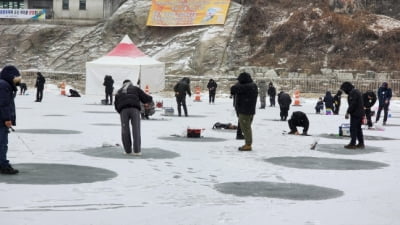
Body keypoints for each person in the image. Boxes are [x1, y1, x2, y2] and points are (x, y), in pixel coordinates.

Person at [114, 80, 153, 155]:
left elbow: (116, 104)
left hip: (123, 111)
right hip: (134, 110)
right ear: (131, 83)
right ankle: (137, 151)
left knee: (125, 130)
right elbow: (145, 98)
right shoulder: (135, 88)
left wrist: (121, 111)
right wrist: (150, 98)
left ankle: (127, 151)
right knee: (136, 129)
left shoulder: (119, 91)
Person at [0, 65, 21, 174]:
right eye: (16, 78)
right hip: (1, 120)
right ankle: (3, 165)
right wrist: (7, 119)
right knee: (2, 143)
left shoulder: (4, 84)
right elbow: (4, 104)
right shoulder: (4, 85)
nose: (17, 81)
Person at [230, 72, 258, 151]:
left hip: (245, 110)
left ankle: (248, 144)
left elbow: (233, 89)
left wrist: (238, 84)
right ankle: (247, 143)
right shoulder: (253, 85)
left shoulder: (247, 86)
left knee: (246, 128)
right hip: (250, 110)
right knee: (246, 127)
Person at [340, 81, 365, 149]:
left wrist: (348, 112)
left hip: (356, 114)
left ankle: (352, 144)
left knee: (353, 129)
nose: (344, 91)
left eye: (344, 89)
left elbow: (353, 104)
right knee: (358, 129)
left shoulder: (353, 93)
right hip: (359, 113)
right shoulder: (355, 91)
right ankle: (361, 143)